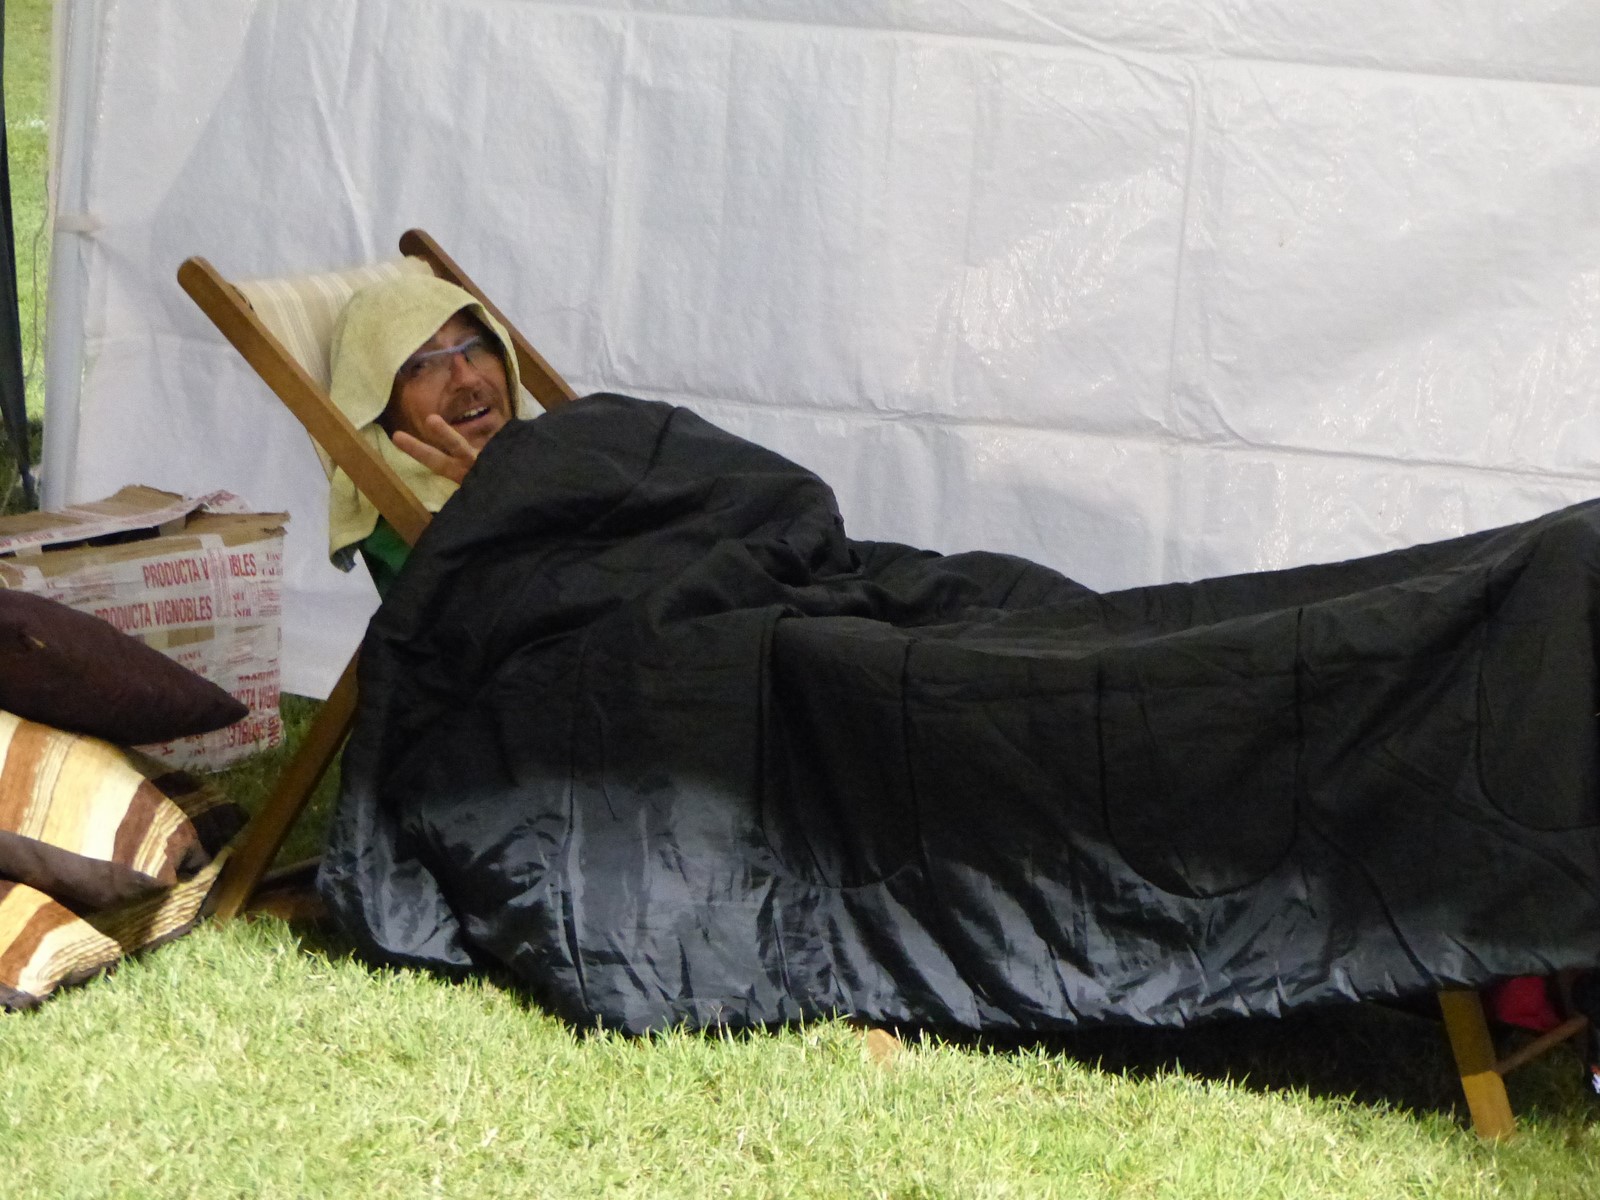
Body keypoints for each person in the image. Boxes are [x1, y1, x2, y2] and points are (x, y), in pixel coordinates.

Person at [326, 274, 529, 593]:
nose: (467, 379)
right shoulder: (404, 525)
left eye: (474, 346)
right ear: (378, 406)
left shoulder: (555, 453)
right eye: (422, 365)